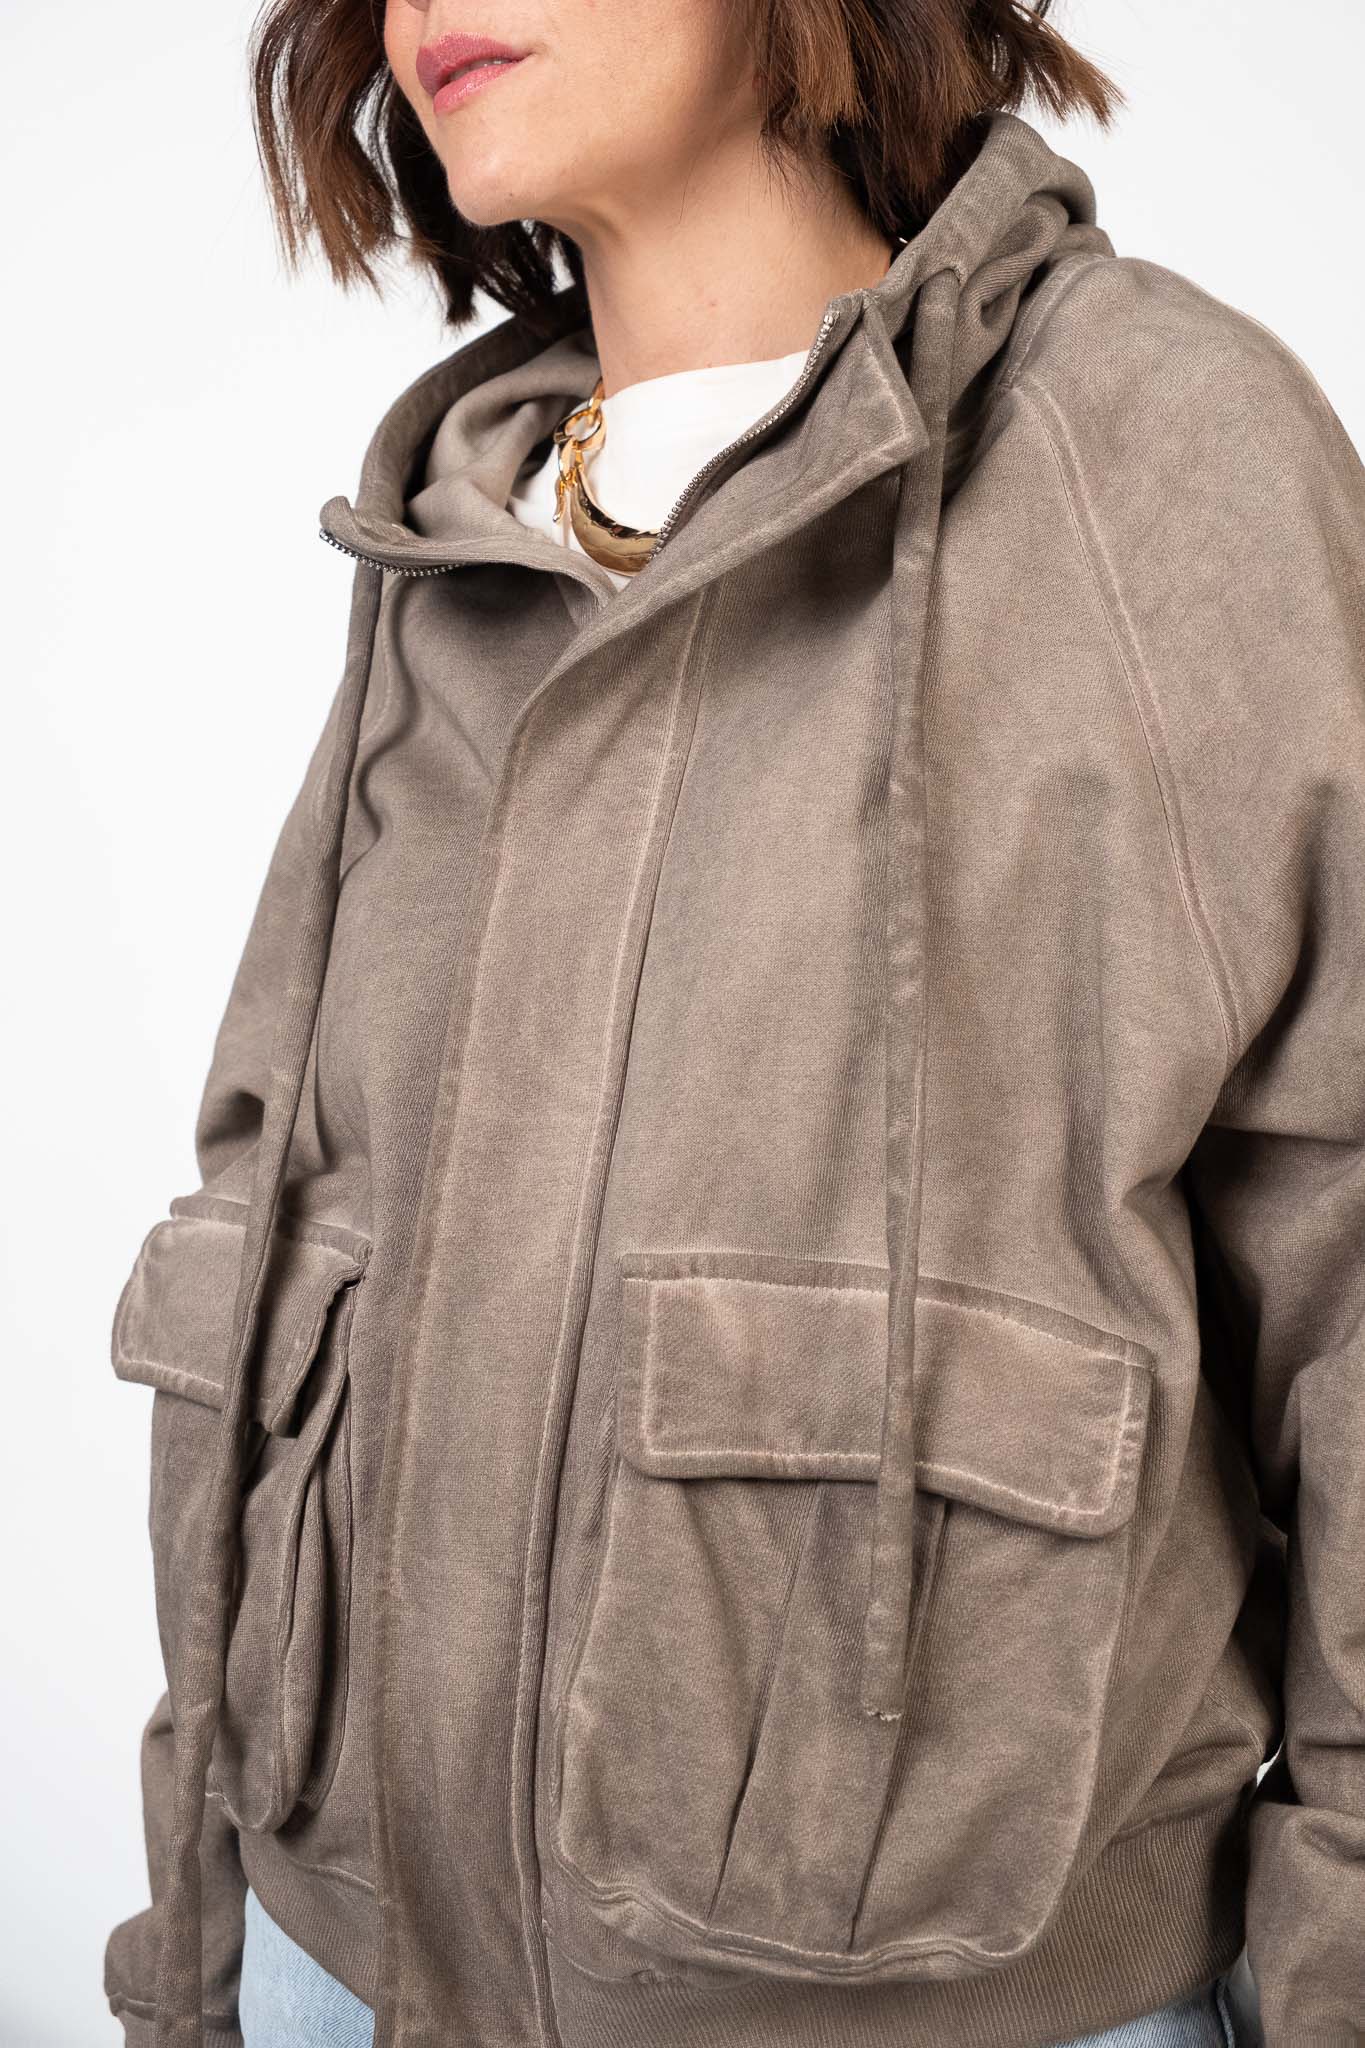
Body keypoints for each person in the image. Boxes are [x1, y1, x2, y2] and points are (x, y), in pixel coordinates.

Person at [102, 0, 1364, 2040]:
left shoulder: (1152, 457)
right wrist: (189, 1962)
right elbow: (260, 1282)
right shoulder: (450, 533)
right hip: (346, 1973)